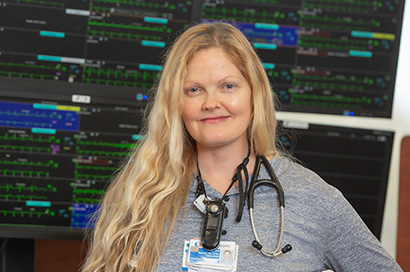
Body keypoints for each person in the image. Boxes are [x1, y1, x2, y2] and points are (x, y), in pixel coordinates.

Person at [81, 22, 402, 272]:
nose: (211, 103)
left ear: (254, 94)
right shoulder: (140, 195)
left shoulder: (315, 200)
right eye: (193, 90)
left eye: (228, 86)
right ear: (175, 103)